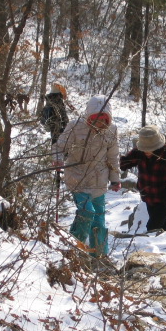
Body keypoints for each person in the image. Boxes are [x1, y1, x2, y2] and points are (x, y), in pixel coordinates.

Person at [52, 94, 121, 256]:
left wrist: (115, 179)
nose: (100, 123)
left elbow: (113, 157)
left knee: (99, 220)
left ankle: (99, 257)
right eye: (96, 118)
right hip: (77, 178)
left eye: (104, 119)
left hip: (99, 181)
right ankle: (73, 249)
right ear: (88, 116)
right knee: (86, 212)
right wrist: (57, 159)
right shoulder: (75, 126)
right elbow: (59, 146)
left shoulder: (112, 130)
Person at [119, 125, 166, 232]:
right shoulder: (139, 152)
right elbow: (123, 164)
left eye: (150, 149)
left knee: (153, 227)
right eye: (145, 149)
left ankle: (153, 245)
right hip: (149, 196)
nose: (147, 152)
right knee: (161, 225)